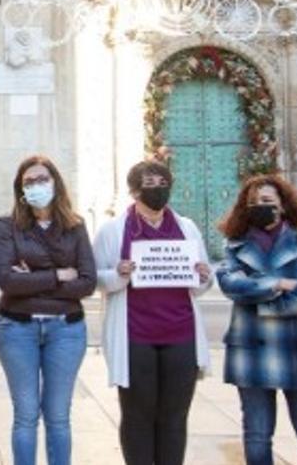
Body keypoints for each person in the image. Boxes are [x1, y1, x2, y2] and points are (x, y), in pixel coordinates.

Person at [92, 160, 213, 465]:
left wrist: (203, 275)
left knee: (175, 415)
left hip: (181, 333)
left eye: (163, 183)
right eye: (150, 184)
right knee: (137, 415)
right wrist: (119, 273)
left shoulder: (187, 227)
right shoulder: (113, 230)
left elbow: (201, 281)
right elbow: (96, 277)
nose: (158, 190)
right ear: (134, 191)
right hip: (135, 335)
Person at [216, 174, 297, 465]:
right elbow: (230, 285)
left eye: (267, 201)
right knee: (256, 435)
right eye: (253, 202)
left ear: (283, 206)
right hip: (251, 348)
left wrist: (257, 296)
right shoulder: (233, 246)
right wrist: (278, 283)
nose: (260, 206)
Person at [0, 155, 96, 465]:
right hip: (17, 329)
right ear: (20, 190)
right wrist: (58, 275)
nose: (36, 185)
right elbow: (7, 280)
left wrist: (33, 278)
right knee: (25, 415)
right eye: (29, 182)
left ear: (55, 182)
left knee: (58, 416)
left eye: (42, 179)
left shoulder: (76, 226)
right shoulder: (8, 226)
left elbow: (88, 282)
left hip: (66, 330)